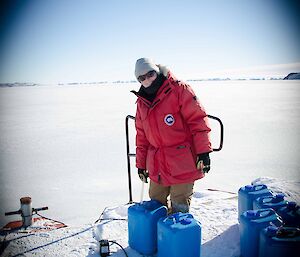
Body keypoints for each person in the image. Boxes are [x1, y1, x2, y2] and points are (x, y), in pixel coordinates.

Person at [131, 57, 212, 213]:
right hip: (157, 164)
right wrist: (141, 165)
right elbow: (142, 137)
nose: (147, 79)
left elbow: (198, 120)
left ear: (156, 71)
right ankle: (158, 236)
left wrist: (203, 152)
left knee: (179, 205)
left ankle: (178, 236)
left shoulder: (179, 90)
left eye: (150, 74)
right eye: (142, 78)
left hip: (183, 162)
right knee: (155, 204)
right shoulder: (142, 103)